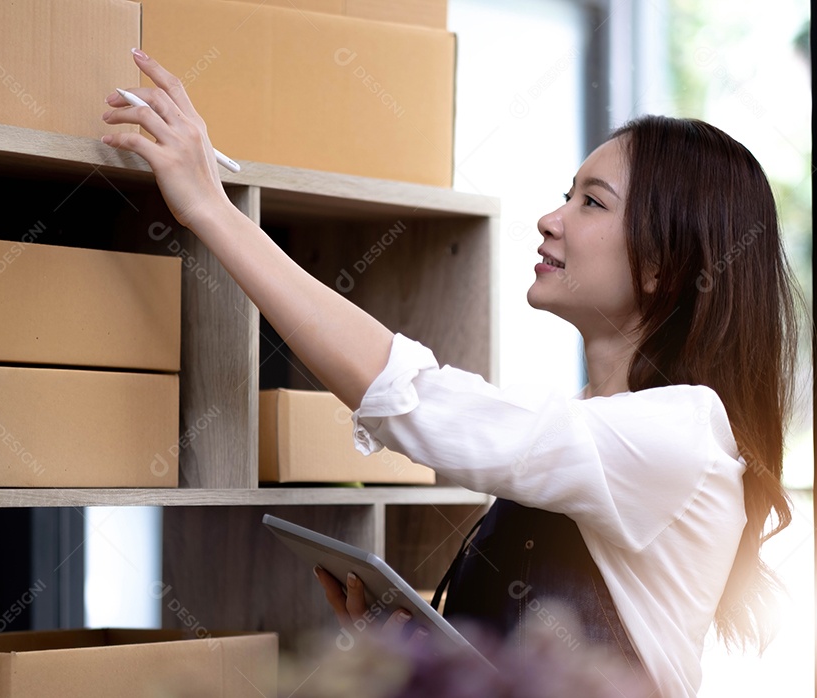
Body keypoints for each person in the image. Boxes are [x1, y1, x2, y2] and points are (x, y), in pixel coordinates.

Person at [101, 48, 801, 698]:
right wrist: (414, 650)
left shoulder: (679, 435)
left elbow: (420, 402)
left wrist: (209, 209)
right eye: (567, 194)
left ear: (662, 266)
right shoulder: (594, 433)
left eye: (592, 202)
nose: (549, 220)